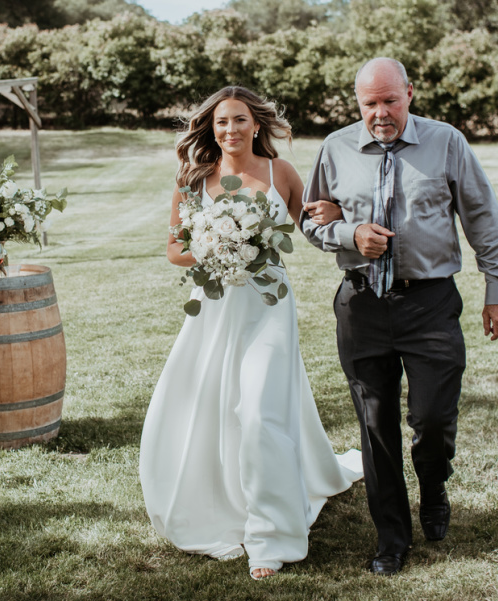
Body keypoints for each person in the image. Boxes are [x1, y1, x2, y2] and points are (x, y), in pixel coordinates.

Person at [301, 58, 498, 576]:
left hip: (431, 304)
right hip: (361, 306)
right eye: (369, 103)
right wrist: (351, 235)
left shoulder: (446, 142)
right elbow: (311, 222)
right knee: (375, 427)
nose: (380, 113)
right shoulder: (335, 148)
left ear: (410, 94)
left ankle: (434, 484)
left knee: (434, 418)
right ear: (358, 103)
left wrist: (497, 288)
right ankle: (391, 539)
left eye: (389, 101)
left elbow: (481, 214)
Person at [139, 86, 361, 581]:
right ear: (211, 128)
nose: (230, 130)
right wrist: (219, 246)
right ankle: (221, 503)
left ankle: (271, 538)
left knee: (260, 410)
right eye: (221, 122)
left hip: (269, 305)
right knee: (217, 407)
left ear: (256, 124)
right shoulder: (193, 177)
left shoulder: (280, 172)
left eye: (240, 120)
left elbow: (311, 225)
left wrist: (338, 219)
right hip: (215, 307)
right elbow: (176, 251)